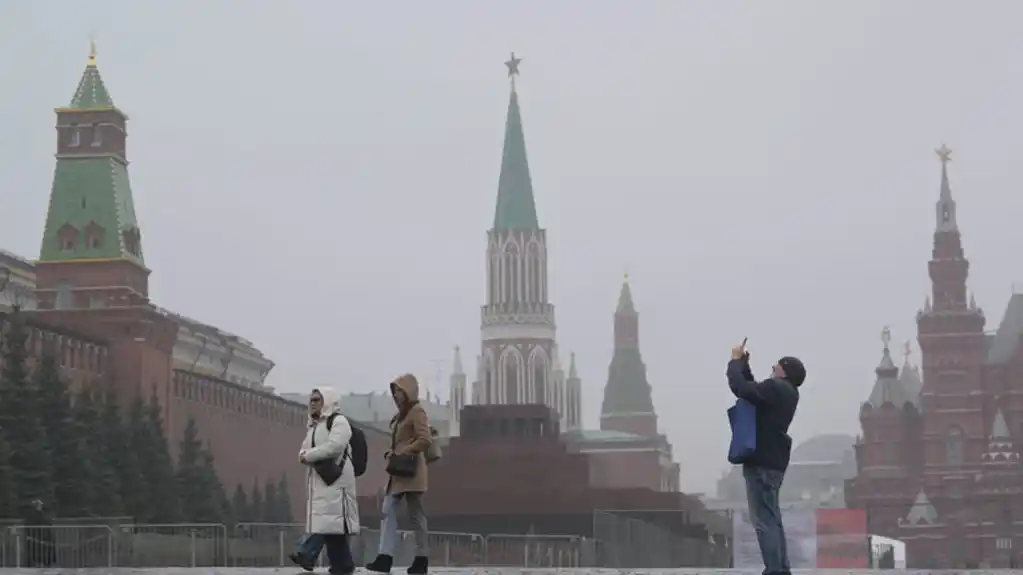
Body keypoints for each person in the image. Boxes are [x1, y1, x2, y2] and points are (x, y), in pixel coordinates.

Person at [726, 342, 805, 575]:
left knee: (763, 521)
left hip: (760, 461)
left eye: (777, 365)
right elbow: (755, 391)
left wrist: (734, 362)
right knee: (773, 518)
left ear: (785, 371)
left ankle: (774, 570)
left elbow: (742, 388)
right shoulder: (787, 392)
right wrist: (745, 365)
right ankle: (781, 568)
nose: (773, 366)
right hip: (774, 462)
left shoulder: (776, 388)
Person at [366, 374, 433, 574]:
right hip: (398, 471)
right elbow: (400, 441)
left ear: (408, 391)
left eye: (399, 391)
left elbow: (425, 439)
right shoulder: (401, 415)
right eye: (394, 391)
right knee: (388, 511)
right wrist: (393, 452)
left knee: (416, 516)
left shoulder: (417, 411)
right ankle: (384, 557)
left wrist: (404, 451)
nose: (396, 395)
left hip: (412, 471)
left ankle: (421, 559)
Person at [289, 387, 360, 575]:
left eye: (317, 400)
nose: (312, 403)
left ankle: (306, 553)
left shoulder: (339, 421)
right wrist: (304, 455)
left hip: (337, 480)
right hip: (320, 479)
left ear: (327, 401)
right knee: (331, 524)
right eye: (311, 400)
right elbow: (303, 450)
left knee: (327, 520)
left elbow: (335, 446)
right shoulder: (313, 426)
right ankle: (343, 565)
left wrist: (308, 455)